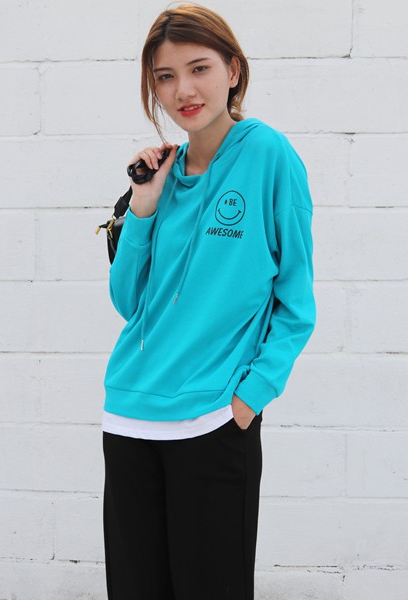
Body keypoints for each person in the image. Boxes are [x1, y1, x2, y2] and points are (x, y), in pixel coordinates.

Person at [101, 3, 316, 599]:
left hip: (214, 421)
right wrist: (144, 205)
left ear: (233, 70)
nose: (184, 91)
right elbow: (129, 301)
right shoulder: (159, 175)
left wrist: (249, 398)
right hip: (129, 417)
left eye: (199, 68)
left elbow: (296, 301)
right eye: (166, 77)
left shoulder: (268, 155)